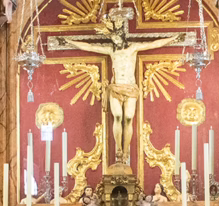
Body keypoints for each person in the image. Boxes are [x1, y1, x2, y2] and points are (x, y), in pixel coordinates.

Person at [61, 20, 182, 164]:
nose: (115, 40)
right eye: (113, 38)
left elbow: (154, 44)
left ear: (122, 36)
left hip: (130, 88)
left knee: (129, 118)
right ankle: (119, 149)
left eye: (117, 37)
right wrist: (69, 41)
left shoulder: (133, 48)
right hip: (115, 87)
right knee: (118, 116)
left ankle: (126, 151)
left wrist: (173, 38)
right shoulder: (111, 50)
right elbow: (89, 46)